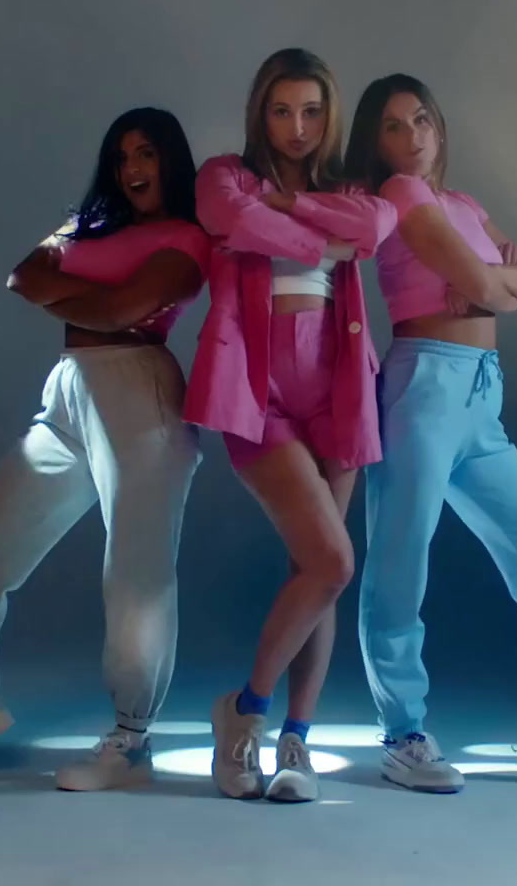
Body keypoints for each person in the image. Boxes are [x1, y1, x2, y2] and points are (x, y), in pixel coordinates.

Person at [184, 48, 420, 803]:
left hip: (339, 383)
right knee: (331, 559)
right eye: (282, 110)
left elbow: (378, 222)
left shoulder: (348, 187)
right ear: (261, 111)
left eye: (311, 111)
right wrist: (319, 240)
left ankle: (295, 742)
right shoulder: (226, 176)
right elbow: (229, 218)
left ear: (329, 114)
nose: (297, 126)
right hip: (257, 387)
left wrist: (285, 213)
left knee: (316, 571)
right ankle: (243, 713)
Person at [344, 73, 517, 793]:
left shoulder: (463, 202)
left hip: (481, 396)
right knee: (402, 559)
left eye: (422, 121)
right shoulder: (401, 195)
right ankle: (403, 732)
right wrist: (498, 282)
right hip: (424, 387)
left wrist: (501, 284)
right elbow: (486, 275)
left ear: (439, 127)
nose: (413, 139)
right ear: (375, 143)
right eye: (394, 127)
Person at [0, 107, 210, 791]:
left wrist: (74, 294)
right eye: (122, 157)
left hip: (138, 391)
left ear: (170, 160)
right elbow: (23, 276)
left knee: (136, 572)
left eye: (147, 154)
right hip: (69, 392)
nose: (134, 169)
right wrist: (97, 298)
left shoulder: (189, 237)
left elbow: (118, 314)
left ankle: (130, 740)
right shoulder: (88, 222)